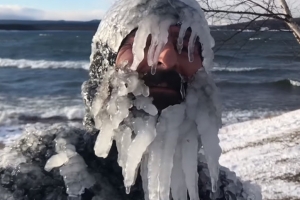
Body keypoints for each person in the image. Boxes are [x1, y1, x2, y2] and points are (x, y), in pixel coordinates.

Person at [0, 0, 262, 199]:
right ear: (105, 65)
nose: (167, 60)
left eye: (184, 47)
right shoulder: (40, 169)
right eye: (145, 43)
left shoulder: (221, 191)